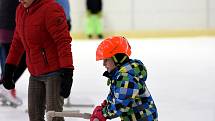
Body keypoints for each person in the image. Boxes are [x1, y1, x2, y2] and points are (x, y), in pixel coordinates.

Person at [0, 0, 74, 121]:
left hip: (54, 73)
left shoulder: (51, 9)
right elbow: (17, 42)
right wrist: (9, 69)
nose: (20, 0)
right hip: (34, 74)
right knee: (34, 116)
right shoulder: (21, 10)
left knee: (54, 116)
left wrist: (68, 72)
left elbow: (63, 43)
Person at [90, 36, 158, 121]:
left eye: (106, 60)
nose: (103, 64)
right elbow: (118, 95)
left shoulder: (126, 77)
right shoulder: (119, 75)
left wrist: (104, 113)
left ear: (117, 58)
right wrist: (107, 104)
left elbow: (121, 106)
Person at [0, 0, 26, 106]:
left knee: (10, 60)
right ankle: (5, 87)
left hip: (6, 26)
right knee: (21, 59)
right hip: (10, 27)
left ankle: (5, 87)